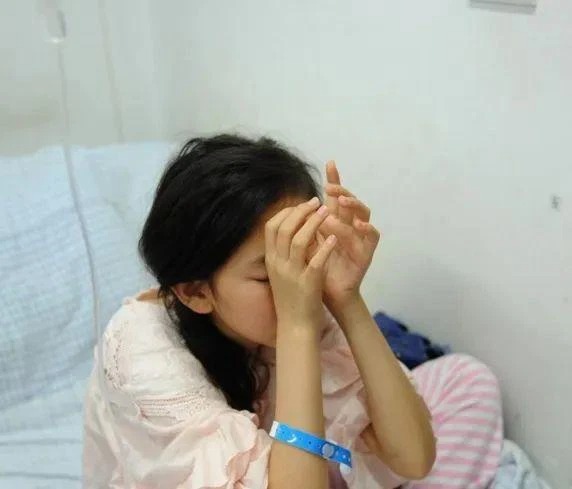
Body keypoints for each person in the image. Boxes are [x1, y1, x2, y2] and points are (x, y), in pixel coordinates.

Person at [83, 134, 503, 489]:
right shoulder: (143, 352)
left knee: (468, 381)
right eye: (271, 275)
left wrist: (348, 301)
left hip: (305, 465)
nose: (302, 285)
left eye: (306, 254)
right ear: (195, 291)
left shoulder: (301, 298)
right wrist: (297, 328)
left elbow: (413, 459)